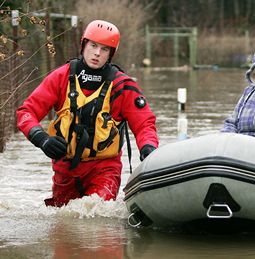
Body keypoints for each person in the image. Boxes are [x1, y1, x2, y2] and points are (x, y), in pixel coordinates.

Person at [16, 20, 159, 207]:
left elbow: (144, 124)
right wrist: (42, 139)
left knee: (97, 214)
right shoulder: (61, 77)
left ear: (111, 54)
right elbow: (26, 112)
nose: (97, 53)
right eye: (93, 45)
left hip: (104, 169)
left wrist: (148, 149)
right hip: (65, 170)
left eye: (105, 49)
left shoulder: (123, 86)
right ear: (83, 45)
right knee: (64, 227)